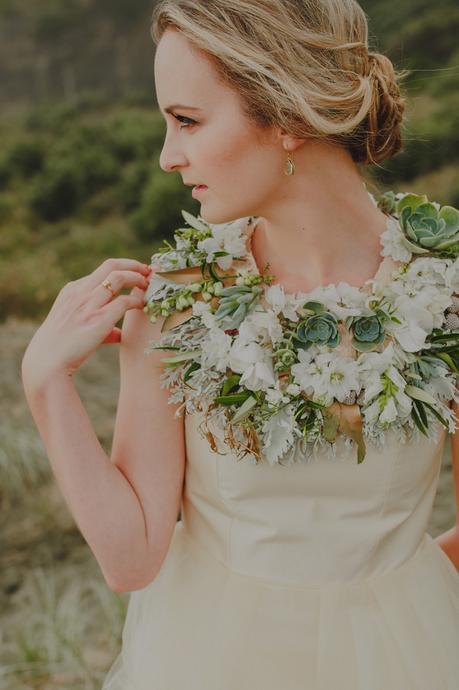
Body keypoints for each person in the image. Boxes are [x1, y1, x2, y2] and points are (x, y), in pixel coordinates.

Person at [21, 1, 459, 688]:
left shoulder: (447, 292)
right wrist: (46, 382)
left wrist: (385, 598)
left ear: (285, 115)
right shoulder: (181, 298)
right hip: (208, 661)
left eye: (187, 120)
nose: (169, 157)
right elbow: (131, 558)